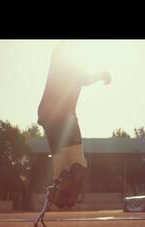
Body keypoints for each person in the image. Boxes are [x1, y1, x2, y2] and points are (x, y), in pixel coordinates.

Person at [37, 41, 111, 208]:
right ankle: (63, 188)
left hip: (46, 114)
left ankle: (59, 188)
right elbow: (80, 78)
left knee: (61, 165)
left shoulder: (59, 50)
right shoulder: (70, 52)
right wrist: (102, 75)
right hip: (63, 115)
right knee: (78, 165)